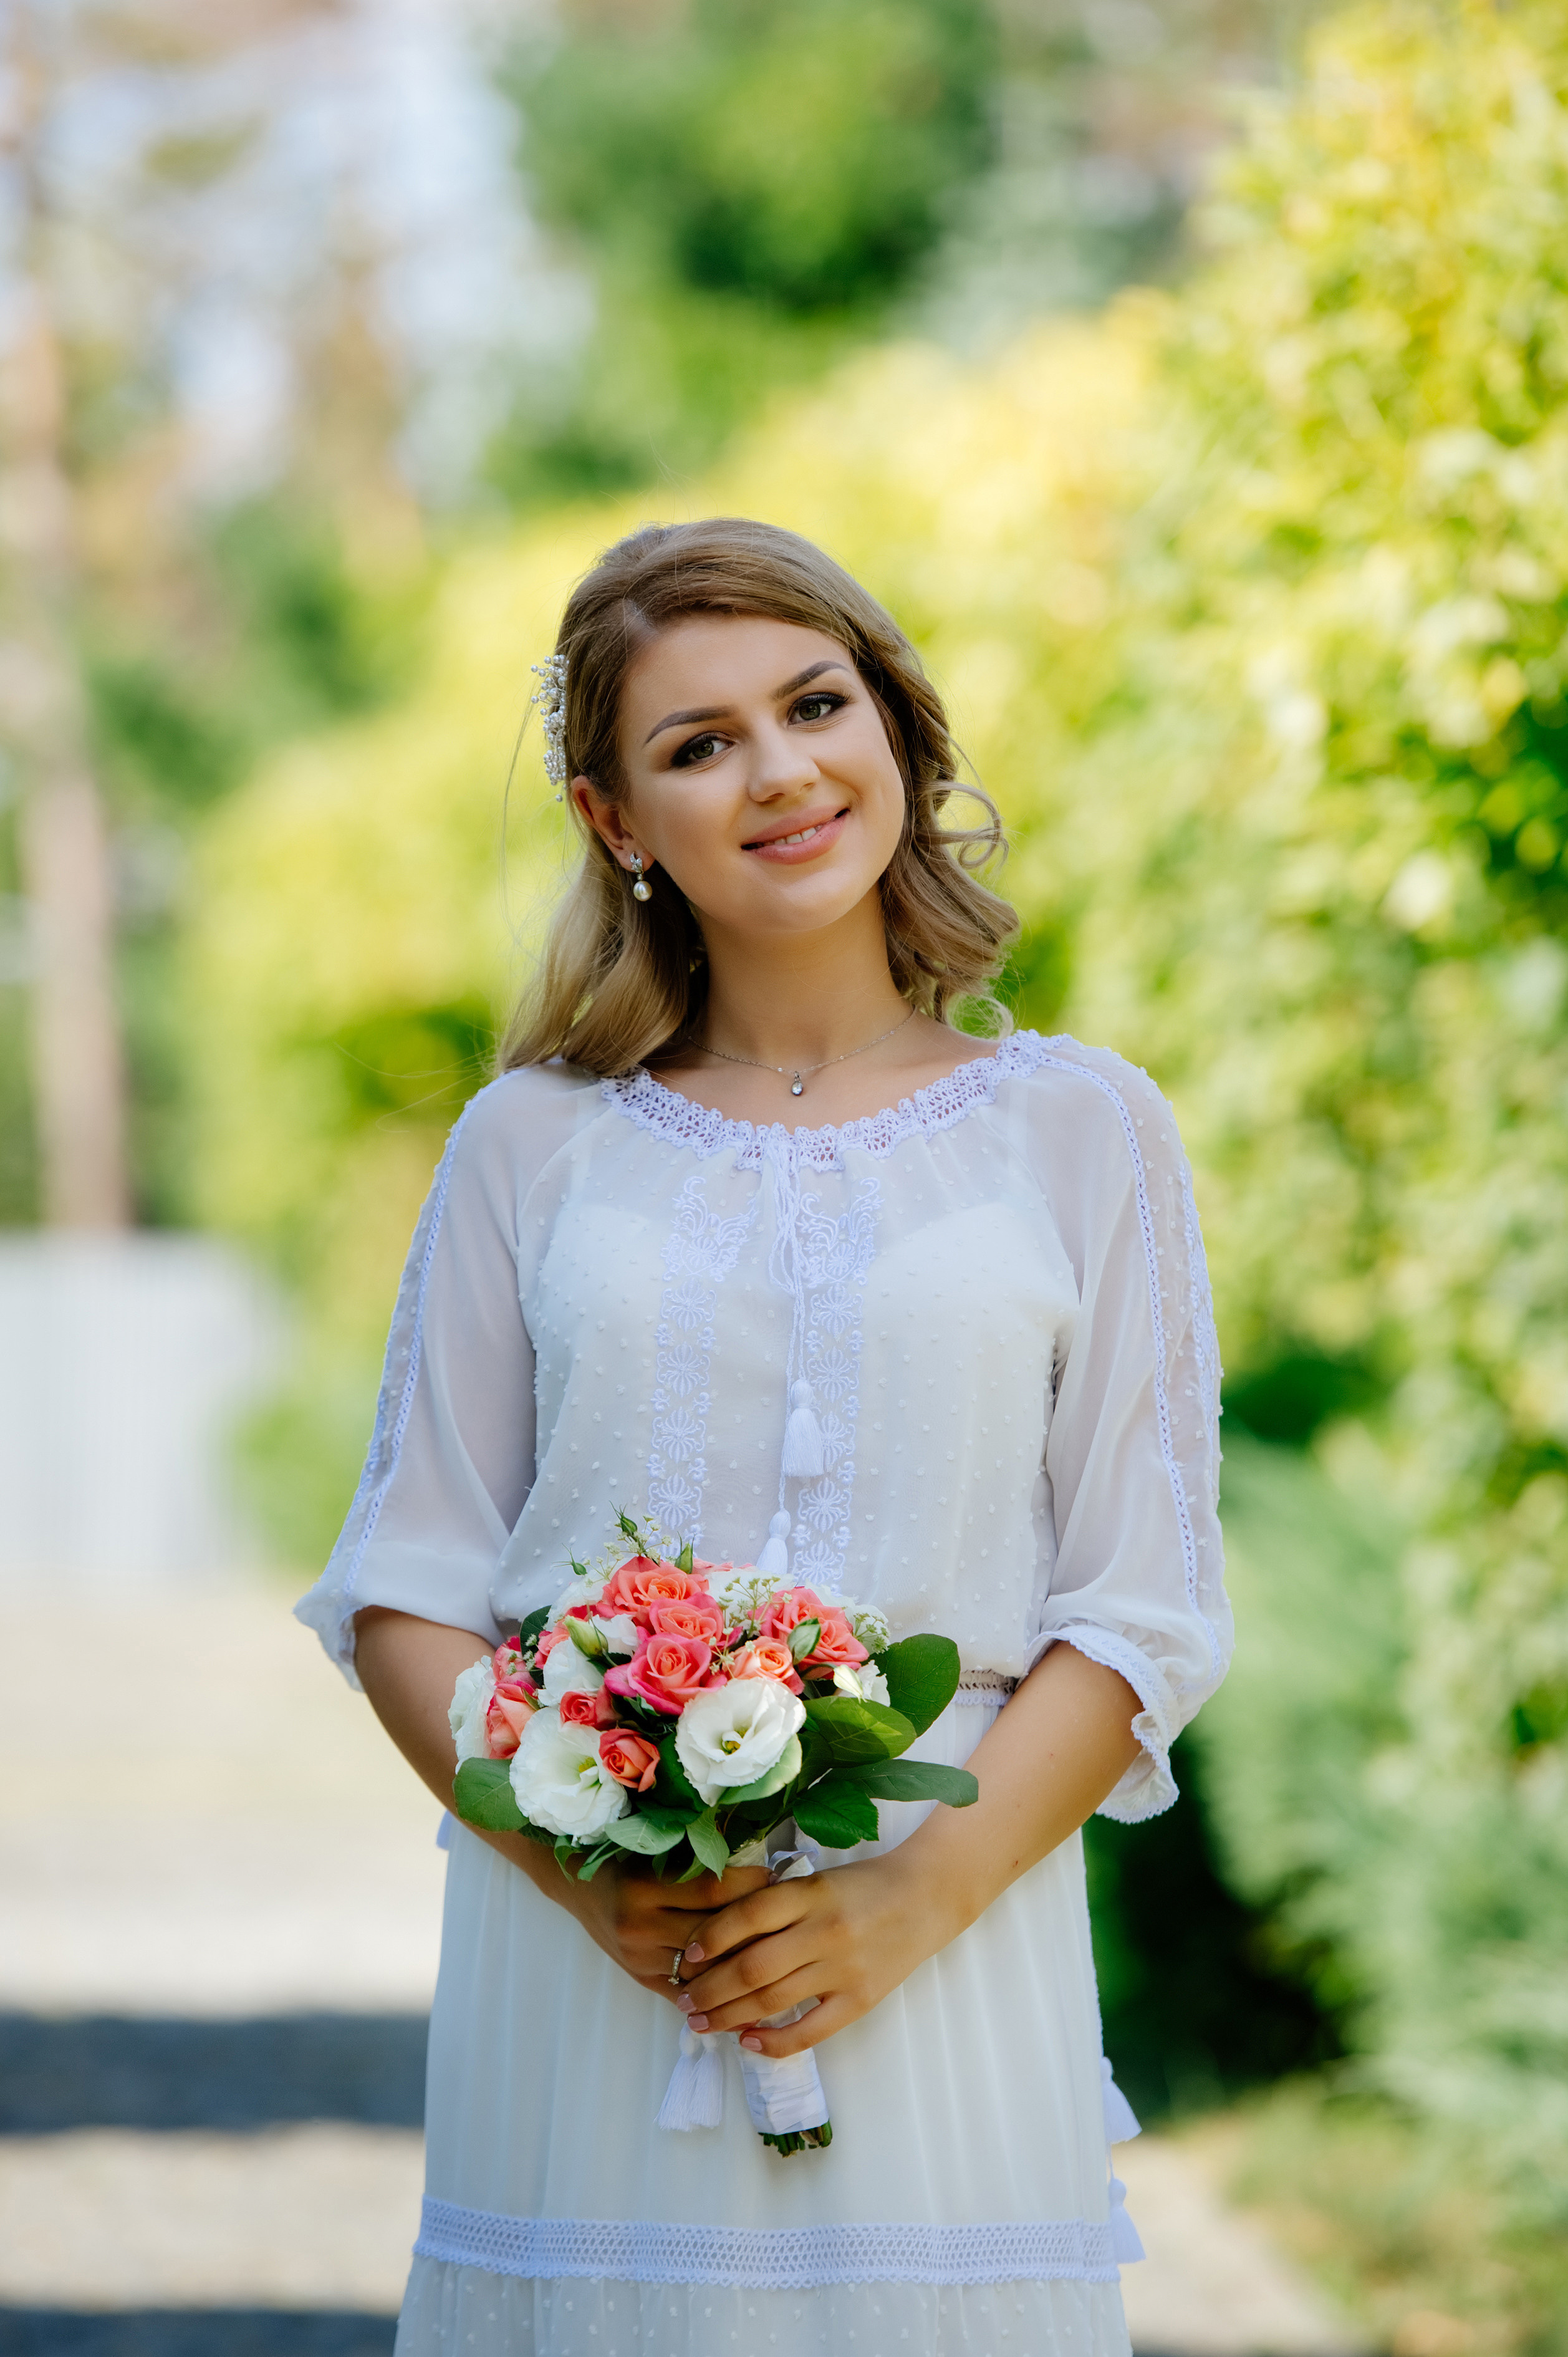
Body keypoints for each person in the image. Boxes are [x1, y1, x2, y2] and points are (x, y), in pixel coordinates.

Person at [297, 516, 1233, 2357]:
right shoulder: (531, 1144)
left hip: (951, 1938)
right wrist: (595, 1887)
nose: (780, 770)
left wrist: (904, 1903)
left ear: (897, 730)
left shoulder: (1083, 1130)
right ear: (614, 821)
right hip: (593, 1963)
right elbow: (403, 1584)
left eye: (815, 703)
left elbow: (1138, 1597)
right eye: (697, 742)